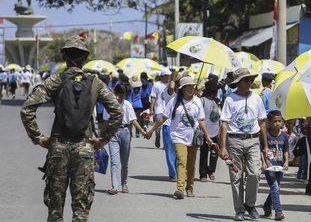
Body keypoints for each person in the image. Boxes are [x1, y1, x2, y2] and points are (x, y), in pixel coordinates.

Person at [20, 35, 123, 221]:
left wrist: (39, 138)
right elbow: (117, 112)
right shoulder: (95, 83)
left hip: (58, 146)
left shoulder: (55, 81)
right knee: (81, 208)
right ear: (84, 58)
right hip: (84, 148)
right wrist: (103, 139)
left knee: (55, 208)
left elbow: (27, 109)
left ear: (64, 58)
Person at [145, 76, 213, 199]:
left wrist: (207, 136)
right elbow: (163, 117)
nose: (191, 89)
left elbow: (201, 120)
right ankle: (180, 189)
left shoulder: (197, 101)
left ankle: (190, 188)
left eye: (192, 87)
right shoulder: (174, 101)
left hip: (193, 137)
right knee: (182, 161)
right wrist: (151, 131)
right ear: (182, 89)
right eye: (188, 87)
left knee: (191, 165)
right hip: (178, 137)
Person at [218, 68, 268, 221]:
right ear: (238, 83)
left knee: (255, 173)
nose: (249, 83)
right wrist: (223, 146)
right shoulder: (230, 99)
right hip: (235, 141)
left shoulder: (256, 99)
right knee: (236, 176)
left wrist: (265, 146)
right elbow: (224, 124)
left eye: (250, 80)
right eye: (245, 80)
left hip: (253, 140)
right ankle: (239, 209)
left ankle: (250, 205)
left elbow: (262, 122)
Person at [103, 84, 146, 195]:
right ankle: (114, 186)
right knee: (114, 161)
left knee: (124, 160)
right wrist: (103, 136)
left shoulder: (127, 105)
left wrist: (141, 131)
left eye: (123, 96)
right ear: (115, 94)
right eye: (119, 96)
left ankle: (124, 184)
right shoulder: (109, 105)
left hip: (125, 132)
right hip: (113, 132)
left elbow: (133, 120)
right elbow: (106, 121)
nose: (121, 98)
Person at [260, 110, 288, 220]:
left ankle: (267, 205)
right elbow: (261, 150)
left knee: (276, 188)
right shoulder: (265, 135)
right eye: (275, 121)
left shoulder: (284, 136)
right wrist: (263, 162)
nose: (277, 123)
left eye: (279, 121)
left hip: (280, 166)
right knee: (275, 187)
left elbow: (286, 150)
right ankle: (278, 211)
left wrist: (286, 161)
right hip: (269, 166)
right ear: (269, 122)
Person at [199, 80, 220, 182]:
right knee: (204, 153)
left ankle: (210, 169)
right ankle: (203, 173)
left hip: (215, 131)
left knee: (215, 153)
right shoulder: (202, 100)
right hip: (204, 131)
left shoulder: (216, 102)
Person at [150, 67, 171, 148]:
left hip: (168, 110)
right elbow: (153, 97)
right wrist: (152, 109)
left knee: (166, 128)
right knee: (158, 127)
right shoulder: (156, 85)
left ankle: (165, 144)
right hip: (159, 109)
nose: (168, 77)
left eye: (169, 75)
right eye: (166, 76)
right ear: (162, 76)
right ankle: (157, 137)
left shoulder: (170, 85)